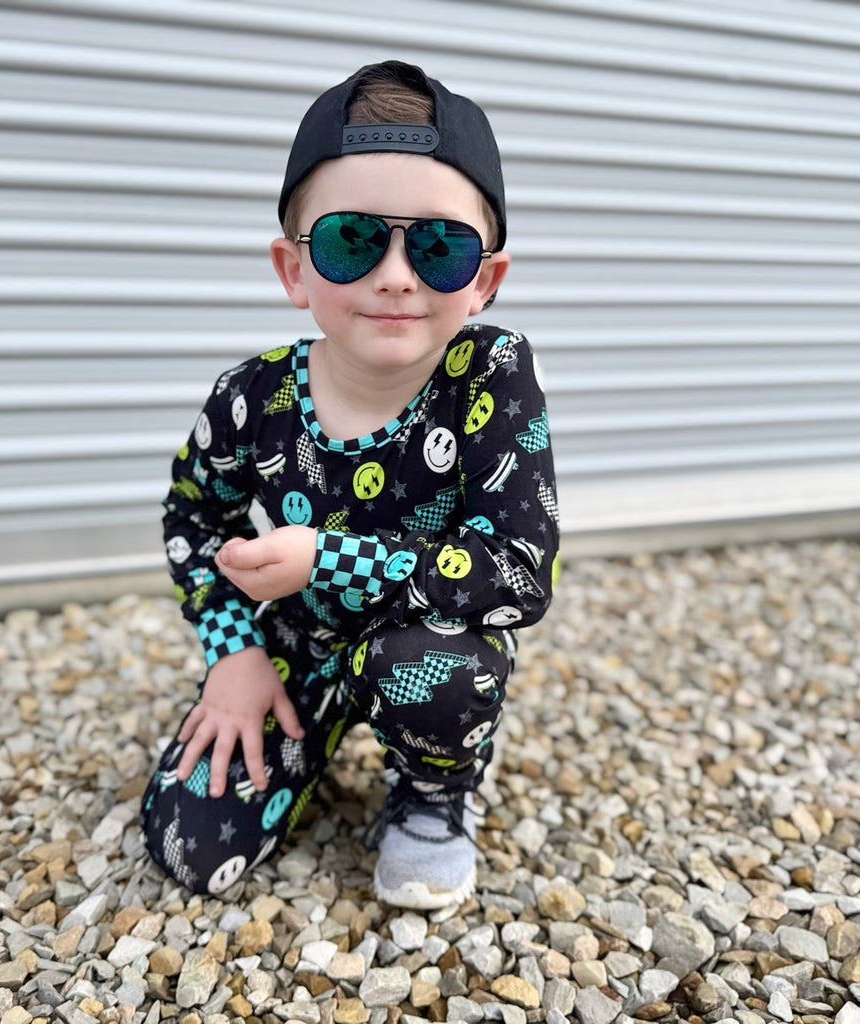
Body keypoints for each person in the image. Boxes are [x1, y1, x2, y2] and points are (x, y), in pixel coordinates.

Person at [140, 60, 558, 909]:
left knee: (443, 673)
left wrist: (327, 557)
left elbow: (519, 571)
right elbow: (193, 517)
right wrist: (234, 651)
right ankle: (311, 726)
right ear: (294, 270)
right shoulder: (251, 396)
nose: (396, 274)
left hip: (425, 635)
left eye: (439, 247)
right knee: (191, 845)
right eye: (350, 240)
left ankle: (435, 787)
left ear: (484, 280)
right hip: (293, 641)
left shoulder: (491, 376)